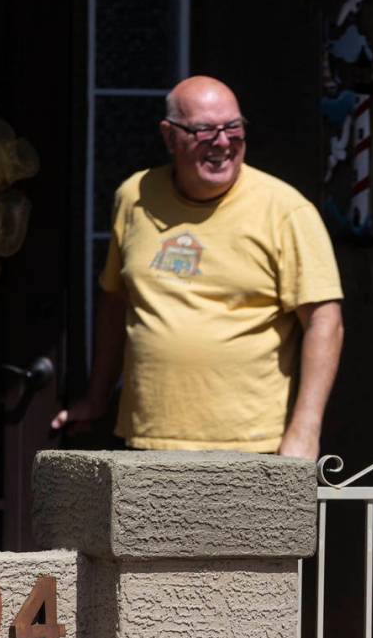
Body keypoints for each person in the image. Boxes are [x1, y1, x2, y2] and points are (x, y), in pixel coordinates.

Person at [52, 76, 344, 459]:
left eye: (234, 128)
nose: (223, 142)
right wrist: (97, 396)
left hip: (251, 446)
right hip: (147, 438)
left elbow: (326, 322)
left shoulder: (286, 210)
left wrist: (305, 430)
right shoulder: (134, 197)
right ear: (170, 137)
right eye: (205, 130)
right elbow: (115, 301)